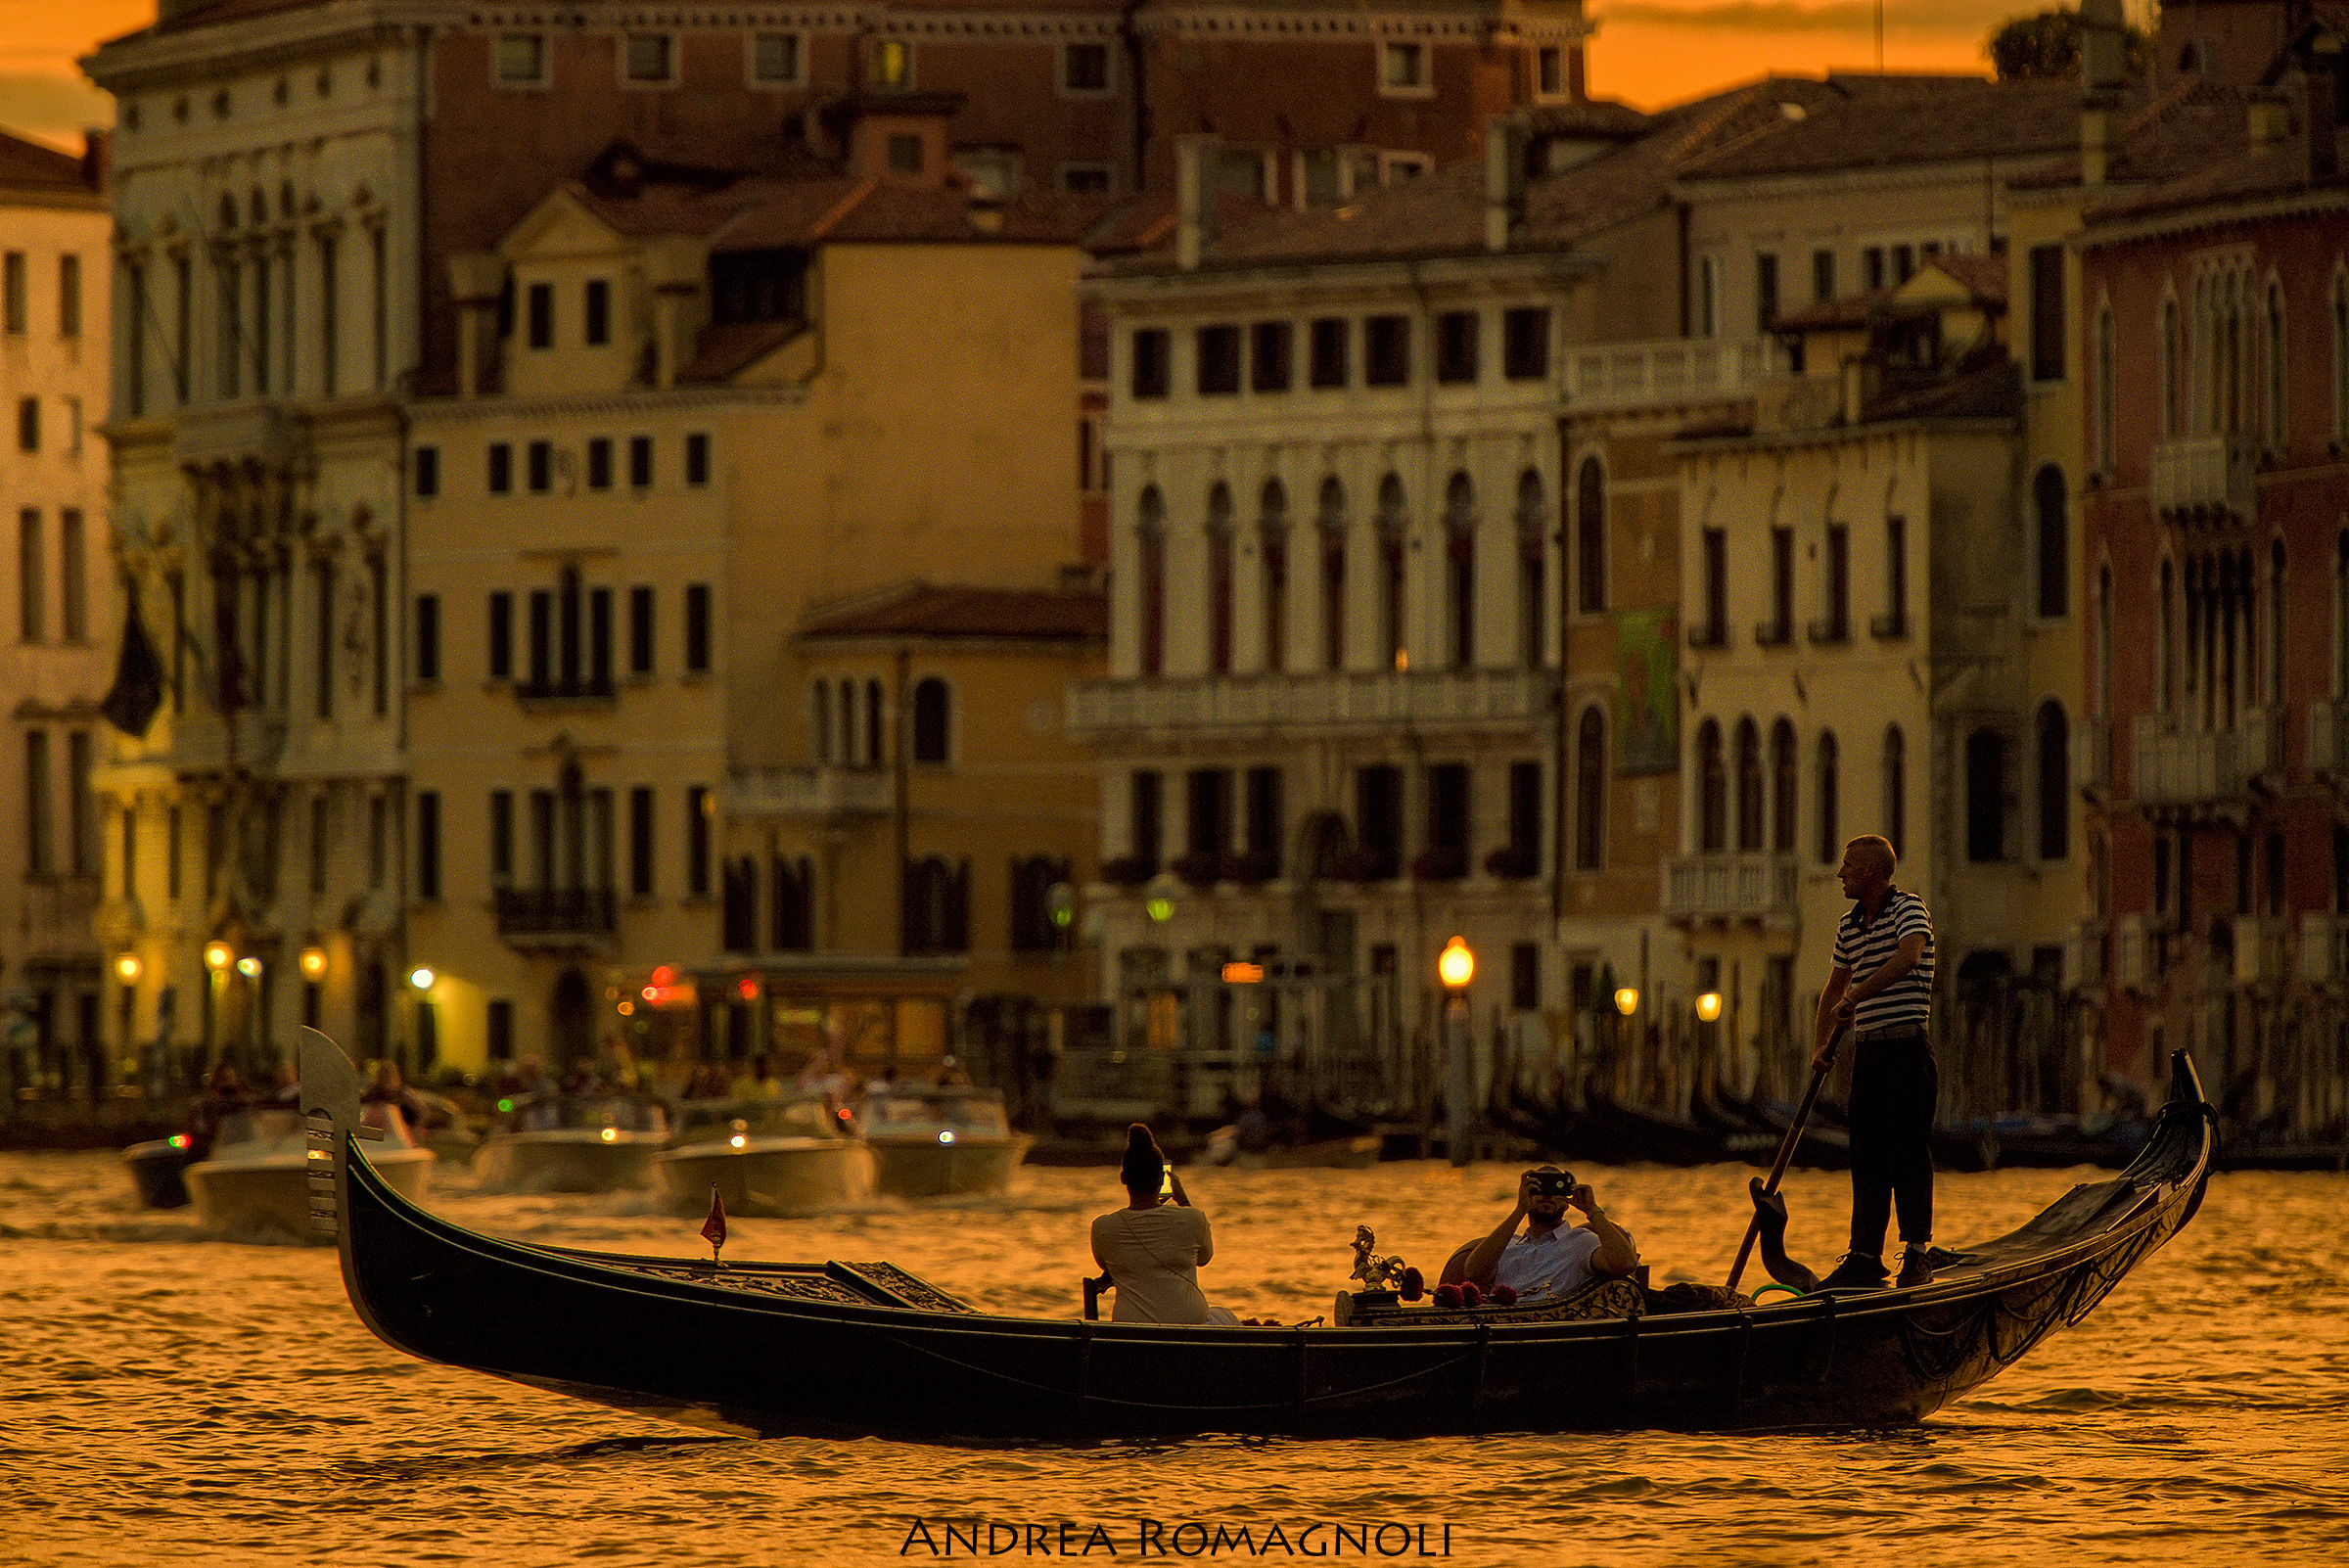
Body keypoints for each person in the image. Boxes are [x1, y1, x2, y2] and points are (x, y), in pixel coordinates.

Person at [1813, 834, 1939, 1291]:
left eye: (1847, 866)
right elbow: (1833, 988)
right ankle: (1865, 1255)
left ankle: (1917, 1254)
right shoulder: (1848, 926)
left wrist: (1858, 996)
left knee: (1908, 1152)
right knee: (1866, 1156)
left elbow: (1909, 959)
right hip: (1867, 1053)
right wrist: (1820, 1047)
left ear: (1869, 871)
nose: (1840, 873)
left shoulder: (1910, 909)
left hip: (1907, 1051)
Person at [1088, 1125, 1235, 1325]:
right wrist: (1182, 1200)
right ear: (1163, 1178)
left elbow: (1112, 1265)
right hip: (1190, 1327)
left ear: (1123, 1178)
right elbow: (1203, 1258)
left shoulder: (1102, 1227)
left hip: (1130, 1330)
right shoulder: (1192, 1218)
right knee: (1226, 1316)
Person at [1457, 1166, 1640, 1302]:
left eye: (1555, 1189)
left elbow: (1626, 1265)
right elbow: (1474, 1273)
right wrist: (1520, 1209)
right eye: (1540, 1188)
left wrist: (1592, 1210)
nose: (1548, 1195)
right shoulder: (1508, 1245)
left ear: (1566, 1199)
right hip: (1501, 1327)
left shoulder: (1582, 1242)